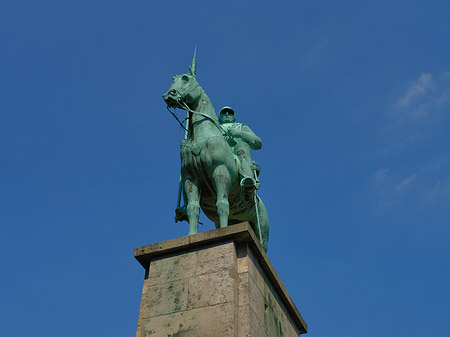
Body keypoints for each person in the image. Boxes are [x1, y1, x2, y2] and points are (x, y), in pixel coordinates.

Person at [218, 106, 262, 190]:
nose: (227, 114)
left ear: (233, 116)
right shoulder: (213, 127)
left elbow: (258, 143)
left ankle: (247, 179)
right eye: (224, 112)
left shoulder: (241, 126)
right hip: (218, 153)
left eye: (229, 112)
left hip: (237, 153)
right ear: (220, 116)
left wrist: (240, 133)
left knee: (242, 146)